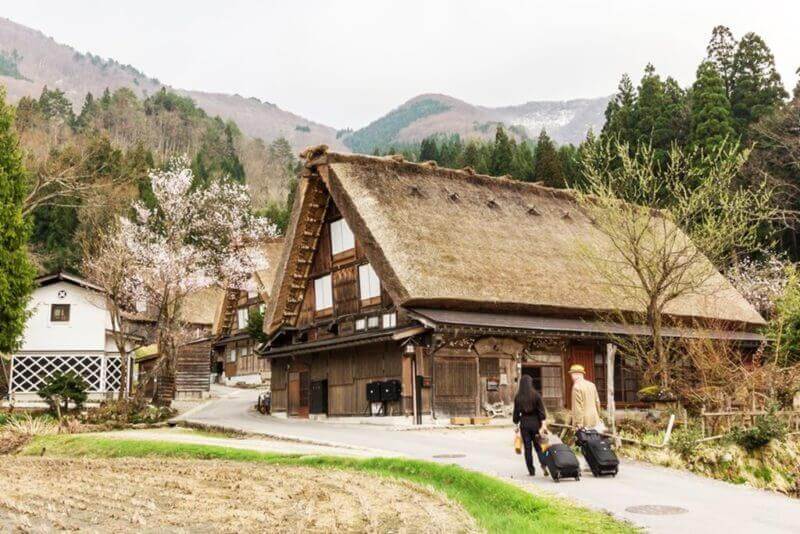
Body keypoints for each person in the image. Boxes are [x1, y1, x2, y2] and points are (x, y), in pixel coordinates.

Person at [513, 374, 548, 476]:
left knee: (528, 448)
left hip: (524, 424)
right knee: (538, 446)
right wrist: (543, 424)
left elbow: (516, 415)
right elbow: (542, 412)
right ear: (530, 383)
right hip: (535, 423)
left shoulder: (518, 397)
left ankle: (531, 471)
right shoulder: (536, 395)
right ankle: (544, 465)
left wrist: (517, 422)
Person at [569, 364, 605, 432]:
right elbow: (597, 402)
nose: (571, 376)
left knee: (584, 441)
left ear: (575, 374)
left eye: (572, 374)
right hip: (595, 419)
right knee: (595, 440)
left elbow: (577, 407)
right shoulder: (592, 385)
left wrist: (578, 423)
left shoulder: (576, 387)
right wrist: (598, 415)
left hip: (584, 422)